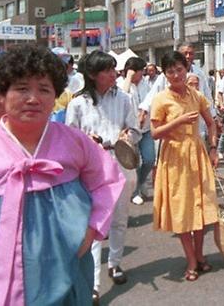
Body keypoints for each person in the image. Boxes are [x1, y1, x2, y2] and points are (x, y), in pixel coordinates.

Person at [0, 44, 124, 305]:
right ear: (4, 92)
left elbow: (107, 180)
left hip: (65, 261)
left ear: (55, 95)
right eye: (22, 88)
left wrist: (92, 229)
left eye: (44, 89)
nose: (33, 98)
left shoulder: (76, 142)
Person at [65, 51, 139, 297]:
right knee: (94, 225)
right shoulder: (77, 103)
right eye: (107, 70)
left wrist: (127, 136)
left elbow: (135, 128)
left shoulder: (125, 99)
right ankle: (94, 283)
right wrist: (86, 140)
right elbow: (69, 137)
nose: (113, 74)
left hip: (121, 163)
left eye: (113, 69)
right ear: (92, 74)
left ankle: (115, 264)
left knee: (119, 218)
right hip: (91, 168)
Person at [151, 51, 219, 282]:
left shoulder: (197, 95)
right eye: (170, 71)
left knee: (200, 207)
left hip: (197, 154)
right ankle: (191, 260)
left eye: (179, 69)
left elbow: (212, 123)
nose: (176, 74)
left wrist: (213, 148)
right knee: (181, 210)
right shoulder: (161, 99)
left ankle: (199, 254)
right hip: (174, 157)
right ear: (165, 74)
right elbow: (154, 133)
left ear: (186, 69)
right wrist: (178, 121)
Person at [120, 56, 154, 206]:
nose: (142, 74)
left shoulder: (146, 84)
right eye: (140, 71)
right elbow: (122, 99)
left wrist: (145, 114)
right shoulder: (122, 84)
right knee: (134, 163)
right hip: (130, 131)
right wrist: (128, 78)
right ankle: (135, 192)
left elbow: (151, 101)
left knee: (149, 159)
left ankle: (140, 183)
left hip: (146, 129)